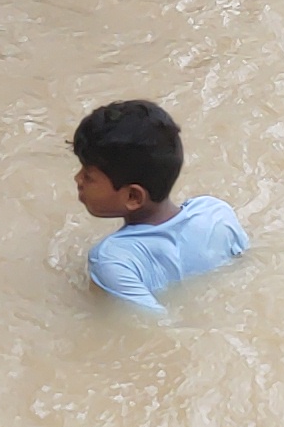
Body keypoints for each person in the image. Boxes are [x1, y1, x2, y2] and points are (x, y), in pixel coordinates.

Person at [72, 99, 249, 312]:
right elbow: (246, 265)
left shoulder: (111, 258)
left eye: (89, 176)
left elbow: (153, 325)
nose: (77, 179)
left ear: (133, 197)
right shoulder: (215, 212)